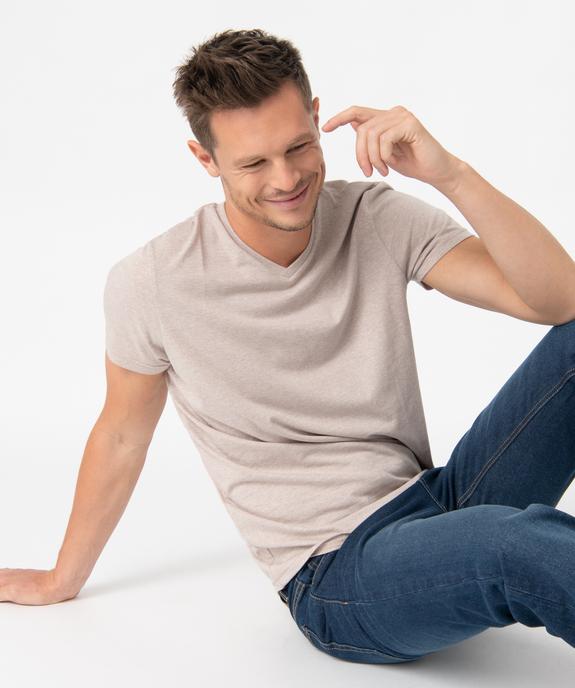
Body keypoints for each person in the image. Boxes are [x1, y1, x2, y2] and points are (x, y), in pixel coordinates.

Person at [2, 27, 575, 666]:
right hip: (338, 573)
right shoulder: (153, 282)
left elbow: (559, 302)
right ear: (205, 158)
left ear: (315, 115)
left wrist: (452, 174)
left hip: (435, 503)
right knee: (513, 546)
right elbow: (120, 435)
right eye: (253, 164)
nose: (286, 178)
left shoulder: (376, 218)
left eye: (298, 146)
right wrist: (61, 578)